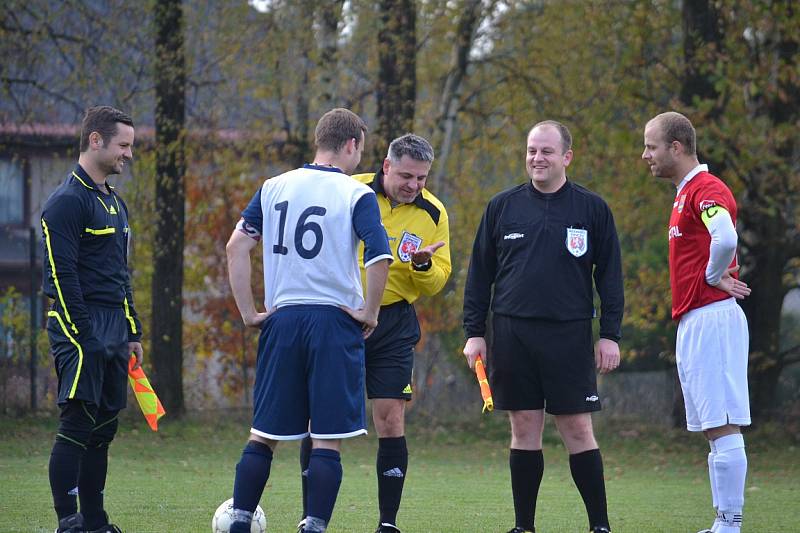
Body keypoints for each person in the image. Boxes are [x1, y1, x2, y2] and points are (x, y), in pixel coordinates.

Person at [225, 108, 392, 533]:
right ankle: (313, 526)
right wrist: (370, 312)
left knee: (262, 433)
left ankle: (240, 520)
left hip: (282, 319)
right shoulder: (356, 194)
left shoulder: (273, 187)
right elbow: (379, 255)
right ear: (351, 144)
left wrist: (249, 312)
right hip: (333, 322)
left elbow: (235, 247)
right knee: (326, 438)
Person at [462, 120, 624, 533]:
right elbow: (480, 275)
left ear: (566, 157)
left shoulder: (592, 208)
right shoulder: (502, 206)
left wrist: (609, 334)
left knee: (577, 427)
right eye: (532, 150)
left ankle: (600, 526)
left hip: (569, 334)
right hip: (512, 333)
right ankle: (524, 526)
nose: (537, 158)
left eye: (547, 151)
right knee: (523, 427)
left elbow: (610, 278)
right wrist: (474, 331)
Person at [297, 133, 451, 533]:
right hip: (341, 318)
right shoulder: (349, 192)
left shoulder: (433, 213)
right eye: (405, 176)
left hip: (395, 322)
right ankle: (311, 517)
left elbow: (439, 280)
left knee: (390, 418)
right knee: (321, 418)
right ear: (385, 166)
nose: (414, 185)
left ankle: (387, 523)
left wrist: (422, 267)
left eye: (421, 178)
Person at [642, 112, 751, 533]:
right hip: (696, 318)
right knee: (713, 427)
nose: (645, 154)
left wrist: (711, 275)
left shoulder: (705, 188)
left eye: (651, 146)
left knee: (722, 423)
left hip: (713, 317)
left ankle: (730, 524)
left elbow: (725, 237)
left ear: (676, 147)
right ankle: (723, 521)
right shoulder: (684, 192)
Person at [41, 105, 143, 533]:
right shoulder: (65, 202)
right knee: (78, 423)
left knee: (103, 429)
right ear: (96, 140)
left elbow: (121, 274)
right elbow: (59, 277)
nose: (129, 154)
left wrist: (132, 330)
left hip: (114, 329)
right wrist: (84, 334)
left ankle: (96, 522)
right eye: (123, 145)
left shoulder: (115, 204)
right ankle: (69, 522)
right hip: (78, 326)